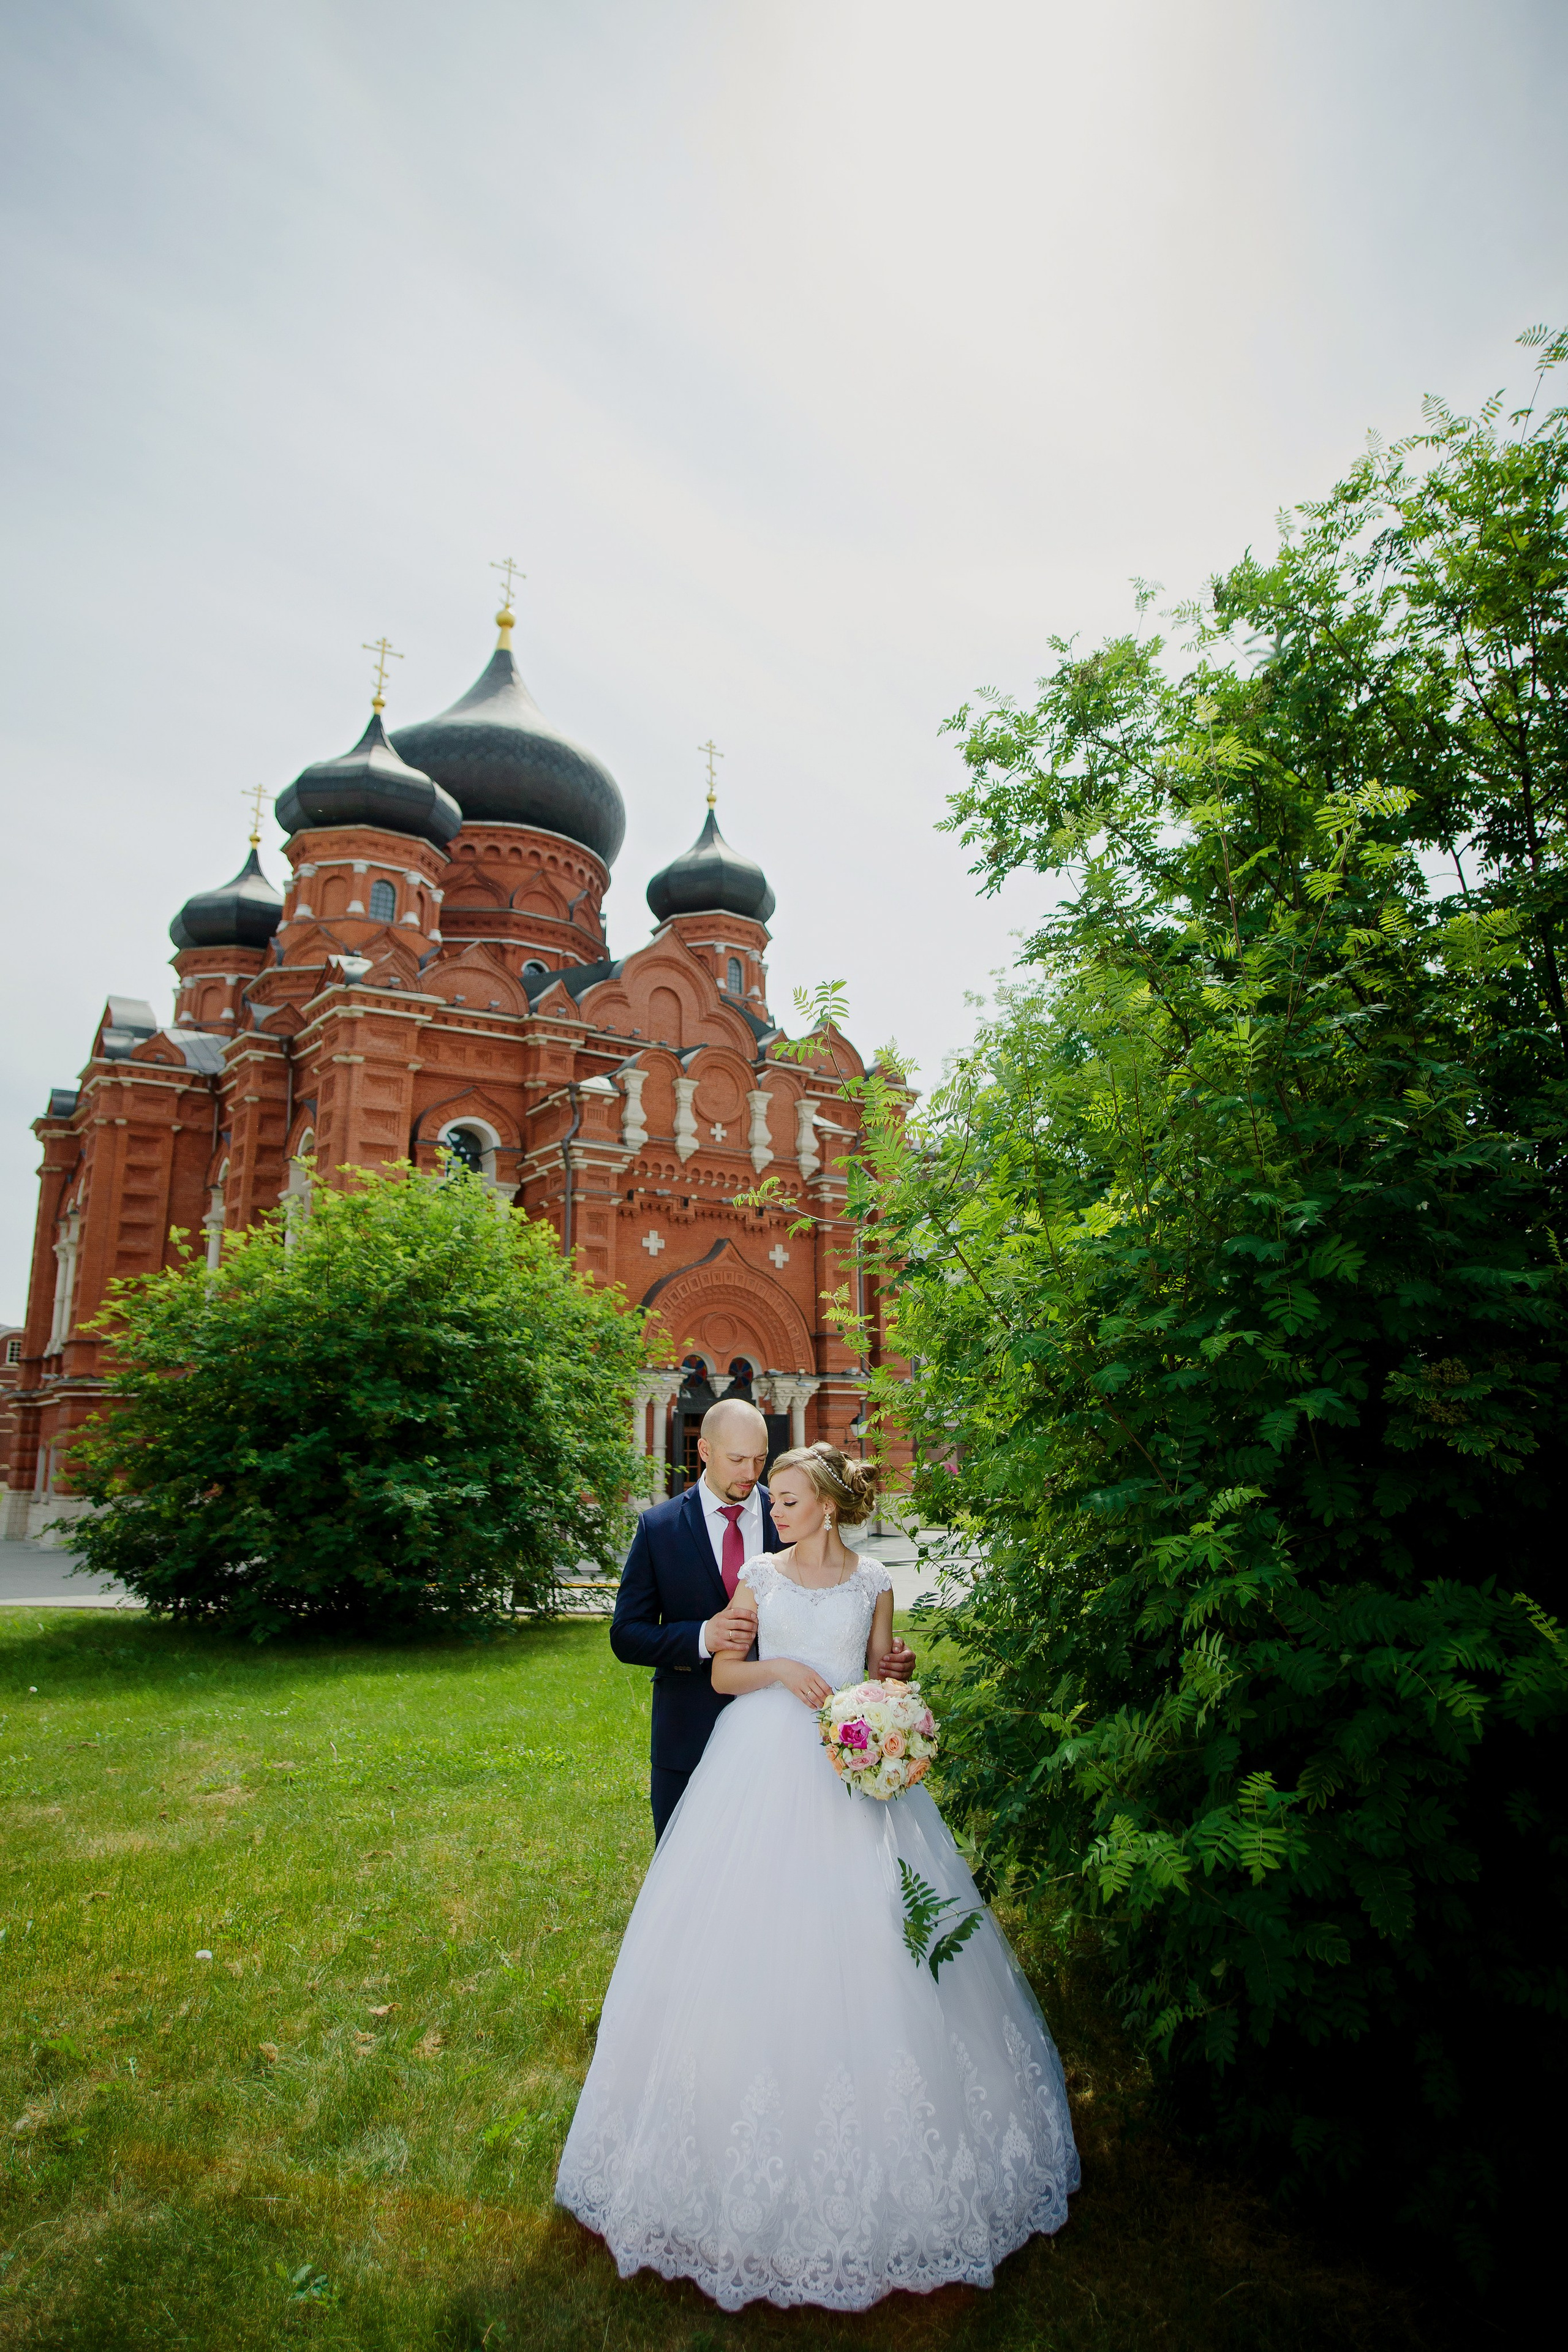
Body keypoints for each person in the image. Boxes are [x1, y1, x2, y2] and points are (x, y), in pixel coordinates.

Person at [559, 1441, 1079, 2312]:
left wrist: (893, 1681)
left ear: (828, 1507)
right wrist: (777, 1669)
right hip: (759, 1759)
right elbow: (725, 1671)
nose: (776, 1510)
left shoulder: (874, 1580)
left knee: (874, 1930)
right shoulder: (759, 1575)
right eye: (774, 1498)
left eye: (790, 1499)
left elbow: (879, 1670)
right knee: (750, 1930)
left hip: (849, 1763)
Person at [611, 1396, 913, 1839]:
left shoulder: (793, 1508)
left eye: (759, 1459)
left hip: (815, 1747)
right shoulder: (659, 1528)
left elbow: (862, 1639)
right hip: (689, 1732)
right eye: (737, 1460)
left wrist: (892, 1665)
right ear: (705, 1451)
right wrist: (703, 1636)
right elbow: (626, 1635)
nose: (751, 1473)